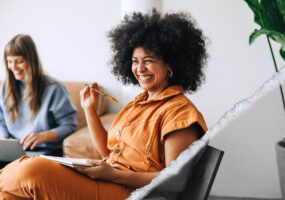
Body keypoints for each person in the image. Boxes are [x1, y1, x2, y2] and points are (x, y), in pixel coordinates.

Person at [0, 10, 208, 200]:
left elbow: (176, 181)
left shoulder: (180, 111)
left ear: (170, 64)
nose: (139, 68)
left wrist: (115, 175)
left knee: (30, 171)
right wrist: (90, 110)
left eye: (148, 60)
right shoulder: (139, 103)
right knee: (9, 194)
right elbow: (108, 153)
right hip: (110, 180)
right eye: (135, 61)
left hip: (134, 193)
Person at [0, 34, 77, 159]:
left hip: (44, 153)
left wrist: (42, 136)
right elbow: (1, 120)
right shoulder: (5, 88)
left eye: (19, 61)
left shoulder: (54, 88)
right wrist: (4, 140)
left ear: (31, 61)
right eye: (9, 62)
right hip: (13, 153)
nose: (13, 67)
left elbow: (70, 126)